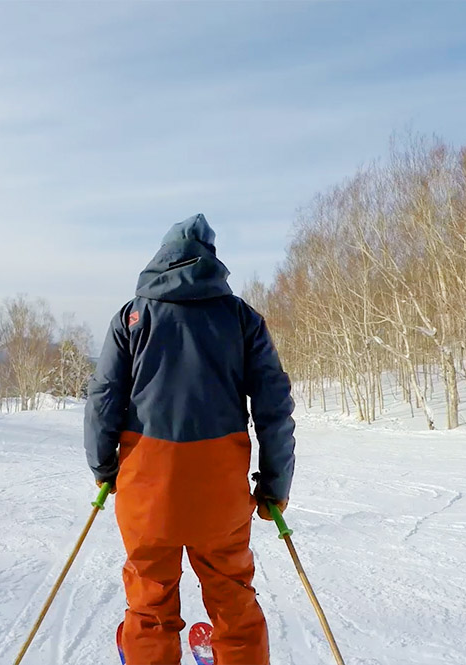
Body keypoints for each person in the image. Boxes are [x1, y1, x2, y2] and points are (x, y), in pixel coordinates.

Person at [84, 214, 296, 665]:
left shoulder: (132, 316)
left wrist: (104, 466)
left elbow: (103, 396)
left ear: (161, 259)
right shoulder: (241, 318)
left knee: (150, 605)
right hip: (219, 490)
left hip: (147, 487)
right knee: (233, 603)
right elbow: (273, 404)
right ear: (212, 260)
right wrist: (275, 484)